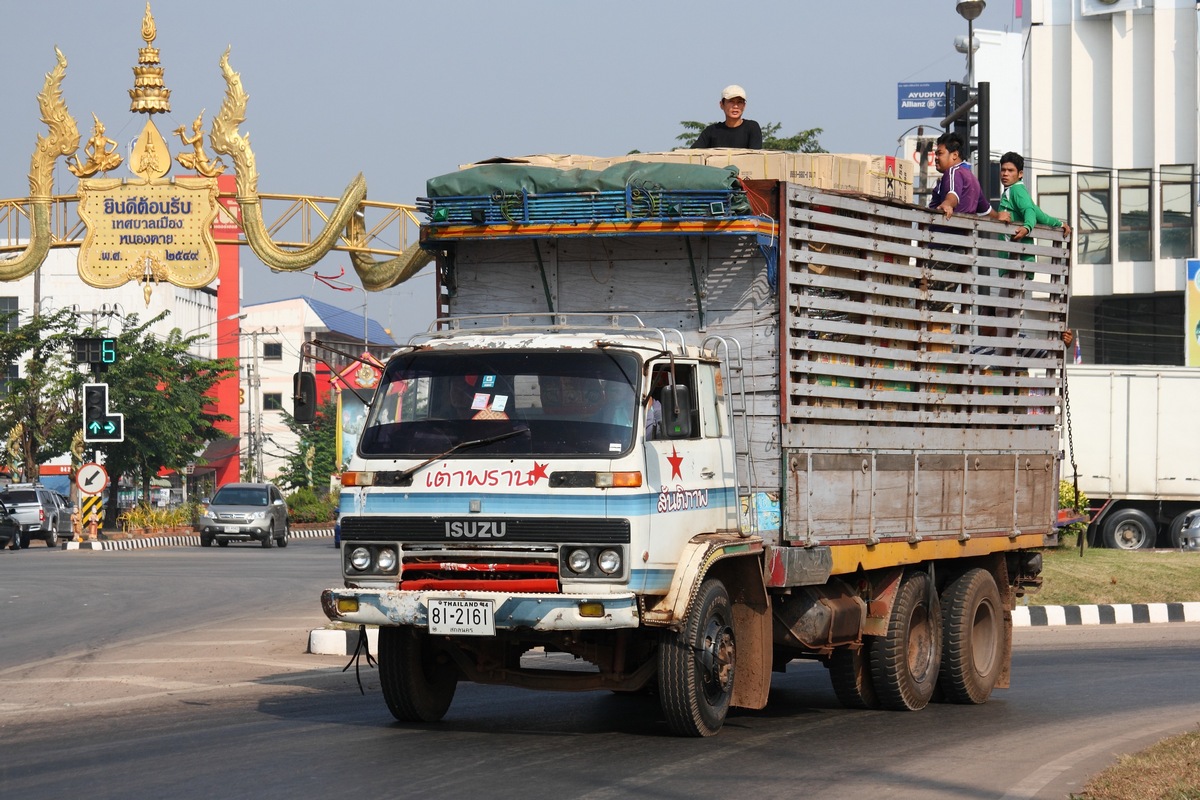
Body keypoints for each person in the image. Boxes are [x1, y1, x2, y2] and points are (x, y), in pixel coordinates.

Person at [994, 151, 1071, 242]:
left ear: (1020, 174)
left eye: (1010, 170)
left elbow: (1029, 210)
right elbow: (1041, 216)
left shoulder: (1016, 189)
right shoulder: (1013, 191)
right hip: (1020, 252)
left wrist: (1026, 228)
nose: (1005, 174)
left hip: (1015, 252)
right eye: (1003, 170)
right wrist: (1060, 224)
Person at [929, 132, 990, 219]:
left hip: (943, 230)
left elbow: (953, 194)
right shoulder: (973, 179)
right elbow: (986, 211)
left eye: (940, 153)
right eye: (936, 154)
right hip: (963, 231)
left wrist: (947, 204)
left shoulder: (953, 171)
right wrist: (999, 216)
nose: (936, 157)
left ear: (954, 155)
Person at [692, 85, 763, 149]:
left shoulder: (752, 127)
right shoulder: (711, 131)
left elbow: (755, 157)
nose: (735, 106)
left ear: (744, 106)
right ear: (721, 104)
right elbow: (693, 154)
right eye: (731, 102)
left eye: (739, 102)